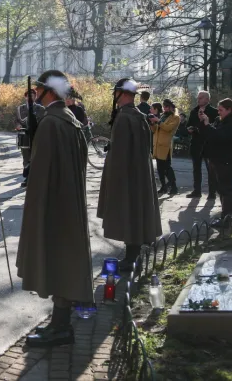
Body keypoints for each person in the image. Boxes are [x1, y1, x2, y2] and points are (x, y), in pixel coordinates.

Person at [16, 70, 93, 348]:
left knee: (56, 262)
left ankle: (61, 329)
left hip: (54, 205)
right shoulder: (69, 118)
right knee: (65, 261)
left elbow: (40, 174)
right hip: (69, 201)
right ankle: (60, 324)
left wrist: (37, 210)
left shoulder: (51, 123)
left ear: (50, 91)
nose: (35, 93)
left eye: (39, 89)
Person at [98, 78, 162, 271]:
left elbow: (122, 152)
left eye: (116, 92)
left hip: (127, 174)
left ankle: (131, 258)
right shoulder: (136, 115)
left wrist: (115, 178)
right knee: (135, 212)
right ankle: (132, 254)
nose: (113, 96)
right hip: (136, 172)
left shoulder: (126, 117)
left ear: (124, 94)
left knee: (129, 213)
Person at [199, 99, 232, 228]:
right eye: (218, 110)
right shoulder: (220, 120)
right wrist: (204, 122)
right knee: (220, 188)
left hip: (226, 160)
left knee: (226, 189)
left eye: (221, 110)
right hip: (216, 158)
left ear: (229, 109)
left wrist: (208, 126)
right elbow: (210, 134)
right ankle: (225, 216)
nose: (218, 113)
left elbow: (221, 136)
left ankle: (227, 218)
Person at [185, 91, 219, 199]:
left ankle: (212, 192)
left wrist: (203, 123)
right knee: (196, 168)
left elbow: (216, 126)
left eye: (201, 98)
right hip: (196, 143)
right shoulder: (194, 111)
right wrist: (190, 129)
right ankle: (197, 191)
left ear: (207, 99)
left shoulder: (214, 112)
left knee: (211, 170)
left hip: (209, 143)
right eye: (198, 98)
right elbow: (188, 124)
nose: (198, 100)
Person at [16, 89, 46, 188]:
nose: (30, 97)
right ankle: (27, 177)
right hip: (24, 137)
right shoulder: (20, 108)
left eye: (33, 95)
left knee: (35, 157)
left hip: (36, 136)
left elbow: (42, 120)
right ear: (25, 97)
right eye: (28, 95)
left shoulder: (40, 109)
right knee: (26, 158)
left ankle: (33, 178)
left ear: (35, 97)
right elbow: (17, 121)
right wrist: (18, 125)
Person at [150, 98, 180, 195]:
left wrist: (158, 121)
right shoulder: (163, 116)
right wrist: (152, 123)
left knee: (167, 168)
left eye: (167, 106)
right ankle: (163, 187)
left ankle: (174, 187)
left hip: (165, 146)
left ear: (171, 107)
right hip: (157, 145)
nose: (165, 108)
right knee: (159, 169)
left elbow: (168, 128)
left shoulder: (175, 117)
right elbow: (155, 130)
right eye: (164, 106)